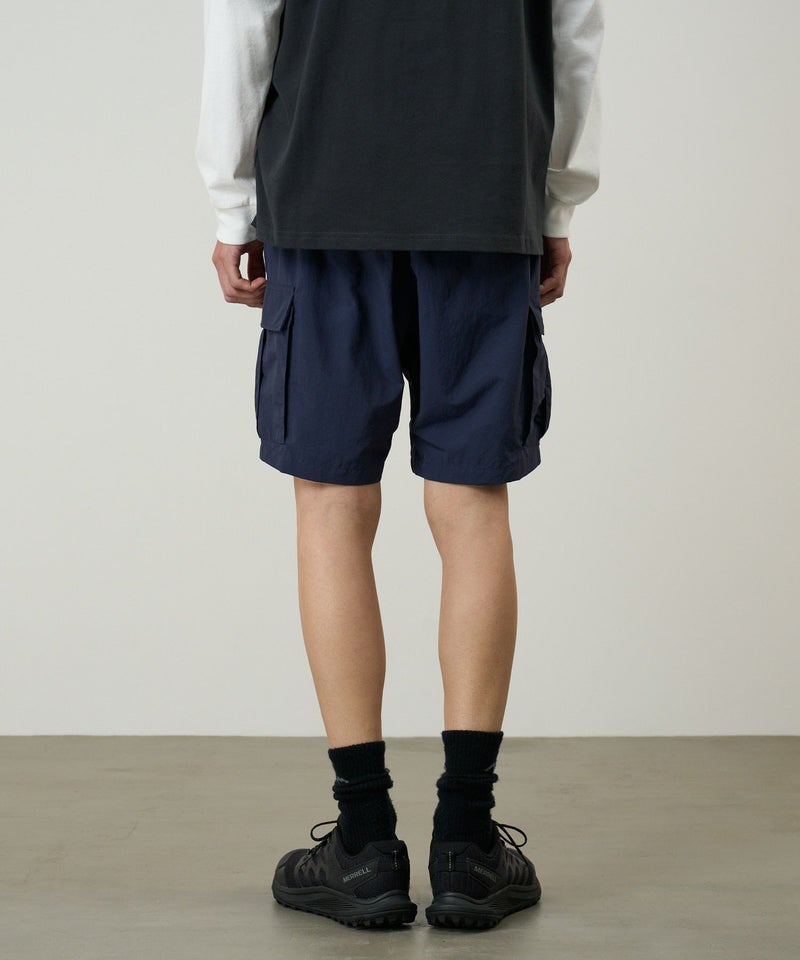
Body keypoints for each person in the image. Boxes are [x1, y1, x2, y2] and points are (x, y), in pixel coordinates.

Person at [195, 0, 604, 931]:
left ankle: (365, 844)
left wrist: (232, 201)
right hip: (484, 191)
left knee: (332, 503)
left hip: (324, 193)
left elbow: (242, 22)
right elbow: (574, 30)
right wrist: (554, 201)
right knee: (473, 504)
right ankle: (466, 844)